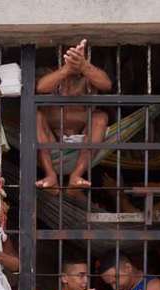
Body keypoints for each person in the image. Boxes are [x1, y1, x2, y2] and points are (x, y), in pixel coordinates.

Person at [35, 39, 113, 190]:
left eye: (78, 53)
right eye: (71, 53)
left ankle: (77, 174)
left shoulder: (89, 75)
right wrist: (66, 70)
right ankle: (50, 174)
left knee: (100, 117)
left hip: (83, 139)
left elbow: (107, 84)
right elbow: (40, 87)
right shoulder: (50, 72)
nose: (75, 57)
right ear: (62, 55)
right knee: (37, 116)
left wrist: (84, 66)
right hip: (51, 139)